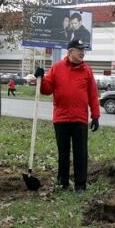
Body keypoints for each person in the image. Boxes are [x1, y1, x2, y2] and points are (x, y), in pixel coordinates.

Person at [35, 39, 100, 194]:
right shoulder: (57, 68)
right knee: (63, 153)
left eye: (83, 50)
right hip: (61, 119)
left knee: (80, 154)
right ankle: (62, 181)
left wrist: (95, 115)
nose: (82, 53)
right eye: (79, 50)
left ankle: (80, 185)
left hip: (80, 119)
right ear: (70, 51)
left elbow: (93, 95)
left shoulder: (87, 71)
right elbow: (46, 89)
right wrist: (41, 79)